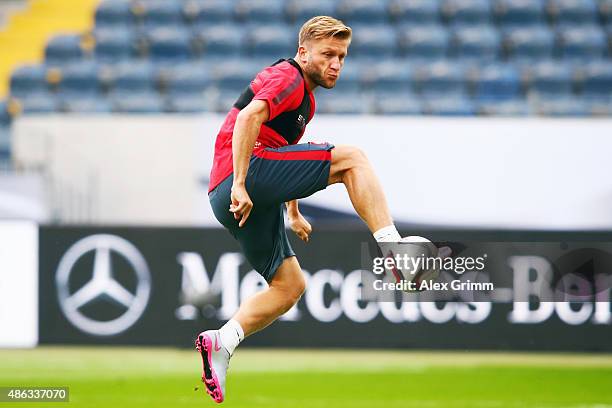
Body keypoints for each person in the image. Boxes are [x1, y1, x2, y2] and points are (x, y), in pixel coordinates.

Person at [195, 16, 447, 403]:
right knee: (353, 160)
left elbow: (283, 153)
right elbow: (248, 119)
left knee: (290, 286)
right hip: (241, 179)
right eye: (328, 54)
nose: (336, 63)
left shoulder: (305, 101)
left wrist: (292, 212)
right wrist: (242, 184)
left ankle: (222, 343)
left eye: (342, 57)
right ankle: (393, 249)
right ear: (303, 52)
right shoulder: (290, 77)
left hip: (230, 192)